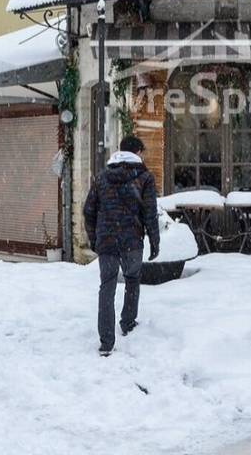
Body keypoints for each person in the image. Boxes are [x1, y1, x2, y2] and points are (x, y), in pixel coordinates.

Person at [83, 135, 160, 356]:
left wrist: (94, 238)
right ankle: (127, 322)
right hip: (132, 240)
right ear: (137, 152)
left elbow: (89, 210)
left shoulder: (103, 177)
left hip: (106, 239)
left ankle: (106, 341)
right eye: (142, 152)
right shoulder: (144, 177)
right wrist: (154, 241)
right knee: (132, 279)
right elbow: (150, 213)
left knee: (107, 286)